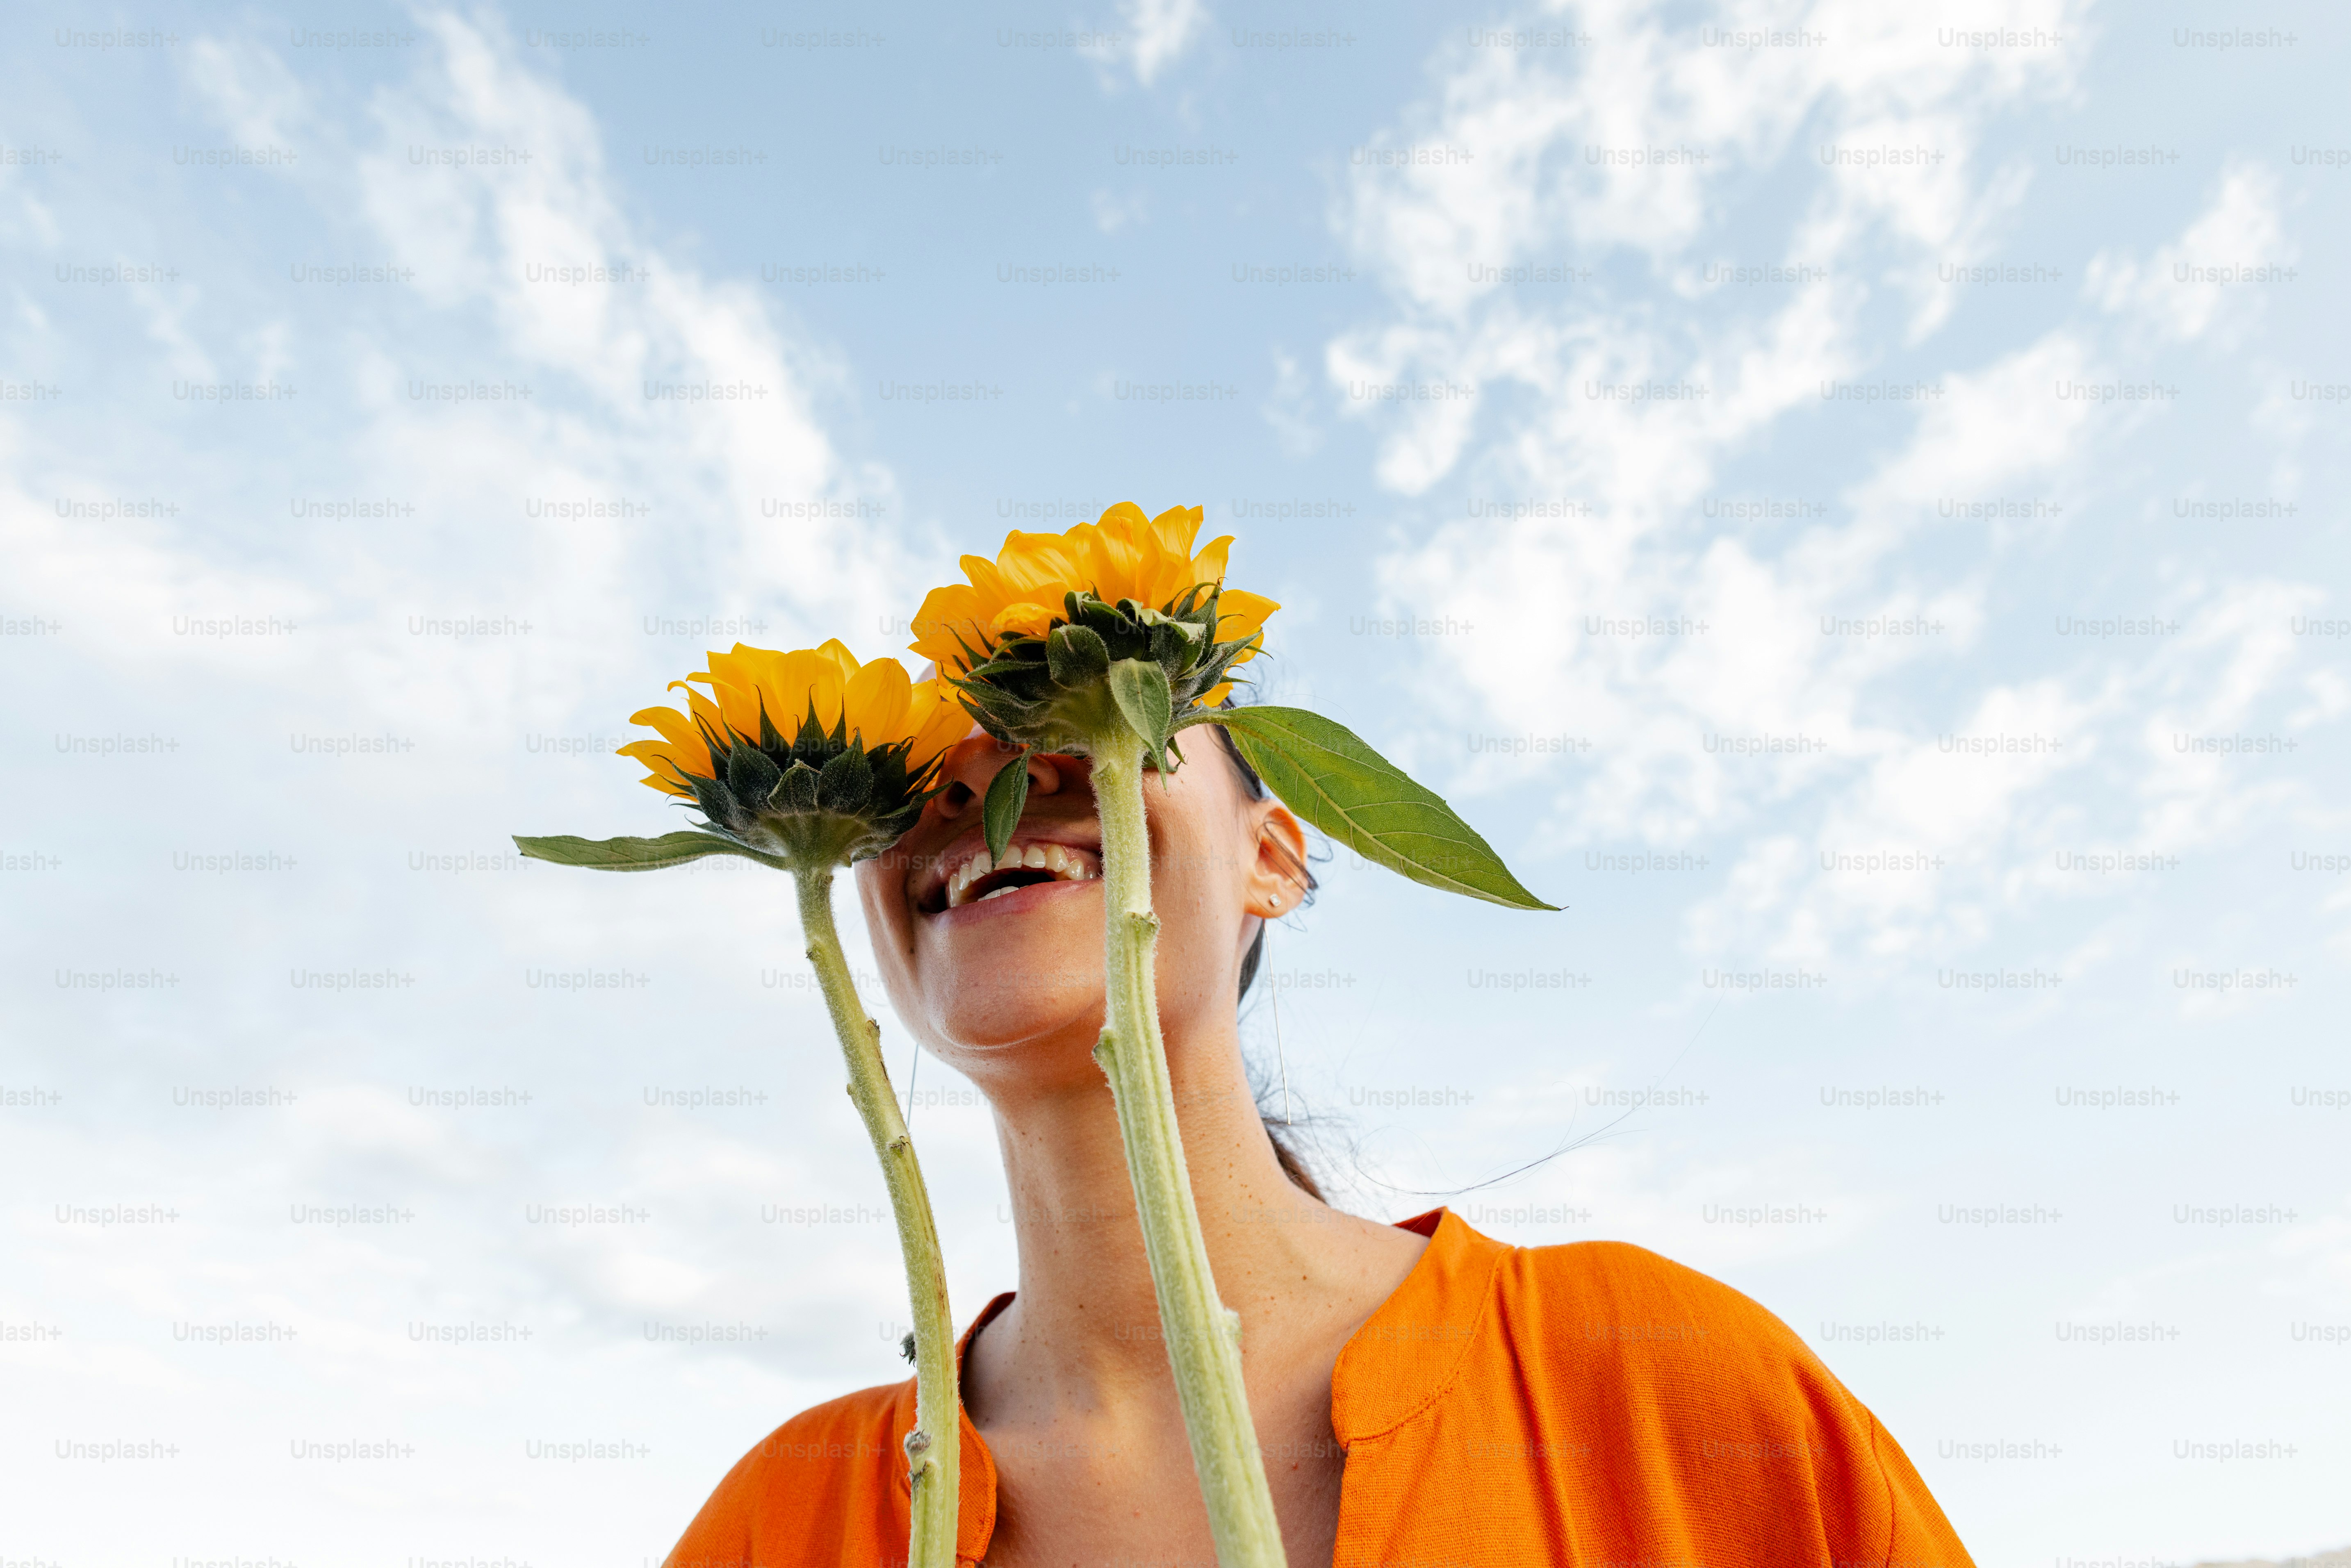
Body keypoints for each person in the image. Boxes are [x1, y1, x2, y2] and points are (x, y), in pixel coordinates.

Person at [663, 729, 1974, 1566]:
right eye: (908, 762)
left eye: (1088, 692)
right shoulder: (783, 1523)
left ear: (1275, 857)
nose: (978, 770)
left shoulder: (1655, 1385)